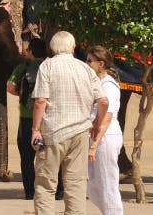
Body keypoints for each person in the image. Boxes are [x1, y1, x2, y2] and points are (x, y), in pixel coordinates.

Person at [31, 31, 108, 215]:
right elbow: (103, 101)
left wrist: (35, 130)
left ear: (52, 48)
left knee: (46, 185)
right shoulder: (86, 69)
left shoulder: (47, 66)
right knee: (76, 185)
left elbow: (40, 100)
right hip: (80, 134)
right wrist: (97, 124)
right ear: (73, 48)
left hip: (52, 133)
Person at [7, 38, 62, 201]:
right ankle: (58, 191)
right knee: (53, 155)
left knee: (27, 157)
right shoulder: (51, 67)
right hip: (49, 119)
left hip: (27, 120)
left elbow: (10, 86)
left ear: (30, 51)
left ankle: (30, 192)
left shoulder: (22, 68)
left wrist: (23, 96)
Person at [85, 46, 124, 215]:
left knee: (108, 185)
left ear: (100, 64)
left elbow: (106, 118)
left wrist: (94, 144)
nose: (86, 64)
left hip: (105, 137)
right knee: (92, 186)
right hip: (96, 135)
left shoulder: (109, 85)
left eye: (89, 61)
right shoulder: (97, 83)